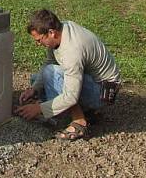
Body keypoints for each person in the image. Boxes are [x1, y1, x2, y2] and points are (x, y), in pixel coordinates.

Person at [15, 9, 121, 141]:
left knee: (51, 74)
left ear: (51, 33)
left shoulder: (72, 50)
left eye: (39, 40)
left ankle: (79, 122)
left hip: (102, 92)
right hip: (92, 81)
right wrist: (34, 89)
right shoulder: (61, 30)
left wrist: (39, 108)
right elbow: (50, 61)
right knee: (37, 79)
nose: (38, 44)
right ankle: (88, 112)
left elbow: (71, 96)